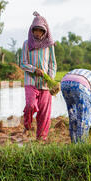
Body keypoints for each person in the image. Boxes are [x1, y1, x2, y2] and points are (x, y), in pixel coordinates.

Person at [20, 11, 57, 141]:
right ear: (31, 30)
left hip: (45, 85)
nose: (37, 33)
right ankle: (27, 124)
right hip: (31, 81)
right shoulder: (26, 44)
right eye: (35, 30)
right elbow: (23, 63)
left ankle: (41, 138)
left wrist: (50, 80)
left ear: (45, 32)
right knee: (30, 105)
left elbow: (52, 64)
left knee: (44, 113)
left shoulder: (49, 46)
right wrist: (34, 69)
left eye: (40, 30)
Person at [61, 69, 91, 143]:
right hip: (80, 84)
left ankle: (74, 144)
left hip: (64, 83)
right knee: (84, 119)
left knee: (73, 116)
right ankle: (81, 146)